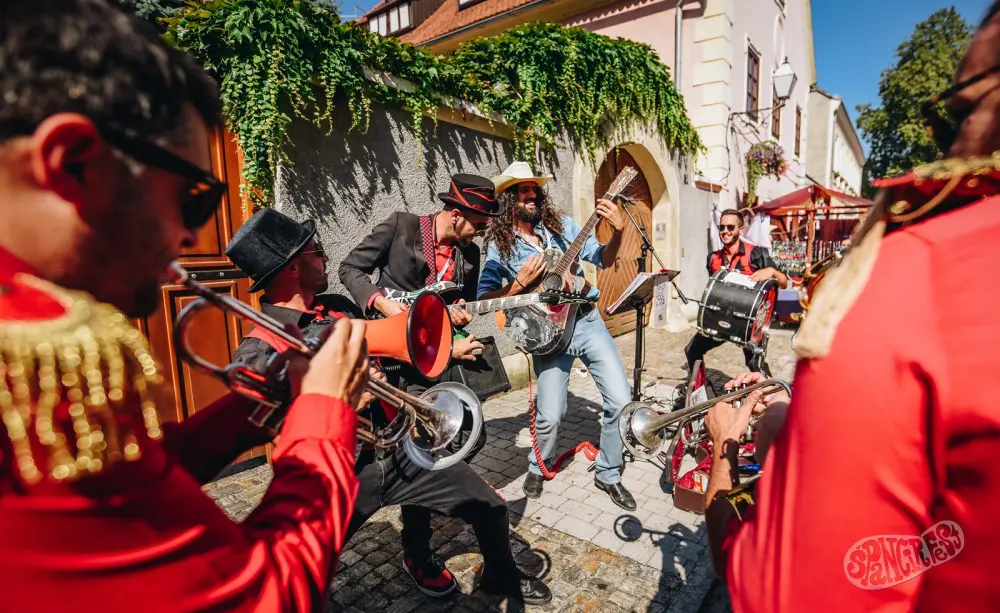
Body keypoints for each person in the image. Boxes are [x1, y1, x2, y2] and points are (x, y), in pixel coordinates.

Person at [0, 1, 370, 611]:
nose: (193, 237)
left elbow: (135, 476)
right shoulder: (33, 358)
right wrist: (326, 416)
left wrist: (258, 404)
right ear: (72, 163)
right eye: (191, 199)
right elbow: (263, 598)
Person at [703, 3, 1000, 610]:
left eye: (959, 114)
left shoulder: (919, 270)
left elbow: (778, 594)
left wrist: (726, 459)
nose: (949, 147)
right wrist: (797, 413)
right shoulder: (717, 254)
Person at [231, 208, 552, 606]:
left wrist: (435, 350)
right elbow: (265, 423)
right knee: (294, 571)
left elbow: (397, 350)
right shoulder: (260, 348)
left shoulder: (339, 307)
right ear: (293, 267)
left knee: (490, 507)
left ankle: (491, 575)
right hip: (344, 475)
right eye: (317, 251)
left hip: (400, 448)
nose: (326, 257)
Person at [477, 161, 637, 511]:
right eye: (523, 190)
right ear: (509, 199)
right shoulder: (500, 247)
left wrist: (619, 232)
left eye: (535, 189)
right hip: (547, 335)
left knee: (621, 399)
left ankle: (609, 472)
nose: (532, 195)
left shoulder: (564, 227)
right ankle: (539, 464)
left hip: (587, 321)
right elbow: (485, 299)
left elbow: (604, 258)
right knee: (550, 414)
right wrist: (518, 284)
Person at [684, 208, 788, 376]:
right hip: (721, 318)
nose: (725, 231)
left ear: (740, 229)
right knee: (692, 350)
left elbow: (784, 282)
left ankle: (768, 389)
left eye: (730, 227)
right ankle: (699, 387)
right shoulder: (713, 258)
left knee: (755, 364)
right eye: (722, 227)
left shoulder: (756, 254)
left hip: (748, 324)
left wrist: (772, 272)